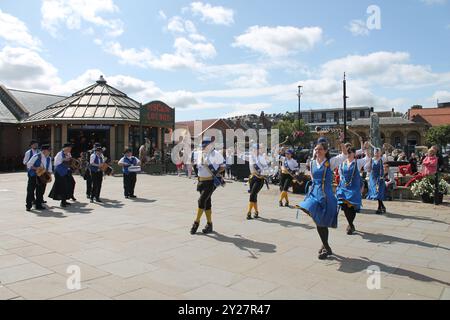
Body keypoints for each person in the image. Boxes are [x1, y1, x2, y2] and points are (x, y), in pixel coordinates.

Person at [298, 141, 348, 260]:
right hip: (314, 194)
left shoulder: (330, 162)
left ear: (325, 151)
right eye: (316, 149)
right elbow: (312, 176)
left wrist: (341, 143)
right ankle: (326, 246)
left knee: (321, 223)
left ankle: (325, 246)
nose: (317, 151)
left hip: (326, 196)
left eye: (320, 149)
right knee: (315, 217)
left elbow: (344, 155)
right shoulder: (312, 162)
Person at [190, 137, 225, 235]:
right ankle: (209, 224)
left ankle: (196, 222)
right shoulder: (198, 154)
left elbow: (223, 166)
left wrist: (216, 172)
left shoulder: (216, 154)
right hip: (201, 182)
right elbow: (195, 165)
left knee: (201, 201)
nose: (204, 148)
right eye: (203, 146)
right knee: (206, 202)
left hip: (210, 182)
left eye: (206, 146)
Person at [336, 146, 370, 235]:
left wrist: (366, 149)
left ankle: (350, 225)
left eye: (350, 152)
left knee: (352, 207)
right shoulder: (342, 163)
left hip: (354, 188)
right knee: (344, 206)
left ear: (354, 154)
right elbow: (340, 174)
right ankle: (351, 224)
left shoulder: (358, 162)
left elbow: (367, 158)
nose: (348, 154)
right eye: (347, 152)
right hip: (344, 187)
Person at [26, 145, 52, 211]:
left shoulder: (49, 158)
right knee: (30, 191)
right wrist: (36, 168)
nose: (50, 152)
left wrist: (48, 174)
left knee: (40, 191)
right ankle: (28, 205)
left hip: (42, 176)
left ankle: (38, 205)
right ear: (44, 151)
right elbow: (29, 164)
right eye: (49, 150)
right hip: (33, 175)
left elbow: (49, 169)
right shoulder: (36, 156)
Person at [247, 144, 269, 220]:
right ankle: (256, 212)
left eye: (256, 149)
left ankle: (249, 212)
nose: (255, 150)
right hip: (252, 178)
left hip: (260, 179)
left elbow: (266, 169)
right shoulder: (251, 157)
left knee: (252, 194)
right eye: (254, 149)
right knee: (254, 195)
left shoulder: (262, 158)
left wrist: (263, 173)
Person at [49, 143, 73, 207]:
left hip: (66, 171)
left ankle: (65, 200)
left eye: (70, 148)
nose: (70, 149)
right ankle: (63, 202)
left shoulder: (68, 154)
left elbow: (70, 162)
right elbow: (56, 163)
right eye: (69, 148)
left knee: (67, 186)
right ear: (65, 148)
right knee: (62, 187)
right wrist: (64, 159)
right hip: (59, 172)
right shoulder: (60, 154)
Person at [367, 148, 387, 214]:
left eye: (378, 152)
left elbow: (384, 168)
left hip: (380, 178)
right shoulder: (371, 160)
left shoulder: (382, 159)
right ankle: (382, 207)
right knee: (376, 193)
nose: (377, 154)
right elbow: (369, 169)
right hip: (373, 178)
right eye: (376, 152)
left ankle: (380, 208)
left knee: (379, 193)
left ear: (380, 153)